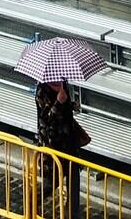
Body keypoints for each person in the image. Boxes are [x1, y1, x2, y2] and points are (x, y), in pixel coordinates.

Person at [35, 80, 90, 218]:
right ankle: (33, 202)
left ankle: (72, 214)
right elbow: (45, 121)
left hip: (69, 142)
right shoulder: (41, 91)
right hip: (52, 146)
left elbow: (65, 111)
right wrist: (59, 102)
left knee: (74, 181)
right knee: (51, 183)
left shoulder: (63, 84)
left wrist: (71, 105)